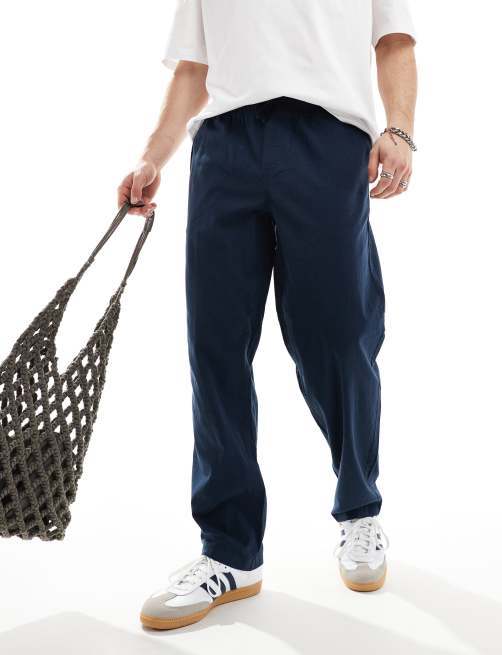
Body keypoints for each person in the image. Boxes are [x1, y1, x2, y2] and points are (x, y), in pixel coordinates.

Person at [118, 0, 417, 631]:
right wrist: (152, 157)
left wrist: (400, 129)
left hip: (327, 140)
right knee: (215, 346)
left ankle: (360, 510)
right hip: (224, 146)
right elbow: (194, 68)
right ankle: (230, 552)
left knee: (338, 337)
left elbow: (394, 41)